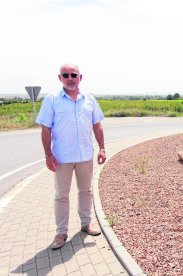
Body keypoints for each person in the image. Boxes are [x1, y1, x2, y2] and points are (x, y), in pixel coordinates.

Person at [36, 63, 107, 249]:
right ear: (60, 78)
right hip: (61, 158)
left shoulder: (89, 99)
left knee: (86, 191)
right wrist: (48, 154)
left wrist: (102, 148)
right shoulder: (51, 100)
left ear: (80, 77)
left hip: (85, 156)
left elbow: (97, 125)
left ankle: (86, 224)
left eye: (73, 75)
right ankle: (61, 233)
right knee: (61, 196)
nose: (70, 78)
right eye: (65, 75)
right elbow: (46, 129)